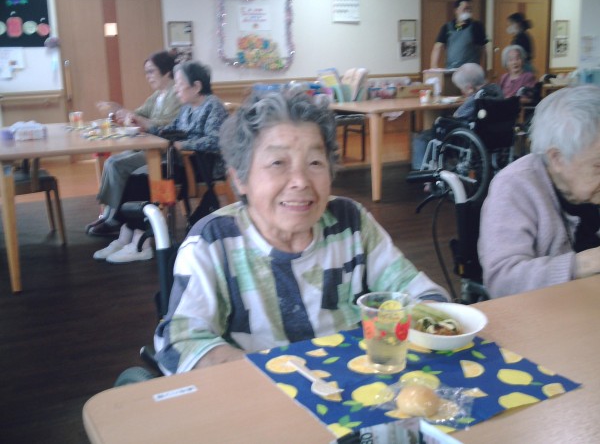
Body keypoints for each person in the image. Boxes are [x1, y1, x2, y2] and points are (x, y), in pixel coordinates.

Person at [153, 91, 450, 374]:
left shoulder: (350, 222)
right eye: (278, 163)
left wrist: (436, 320)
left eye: (315, 163)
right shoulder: (214, 242)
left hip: (360, 384)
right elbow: (181, 343)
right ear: (240, 179)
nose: (300, 181)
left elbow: (420, 293)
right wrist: (277, 374)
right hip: (263, 395)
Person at [93, 60, 229, 263]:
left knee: (144, 181)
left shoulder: (212, 106)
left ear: (197, 86)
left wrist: (183, 145)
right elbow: (170, 130)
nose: (176, 88)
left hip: (201, 167)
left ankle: (142, 244)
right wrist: (147, 128)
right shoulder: (188, 107)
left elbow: (216, 141)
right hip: (180, 163)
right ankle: (125, 237)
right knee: (134, 177)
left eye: (180, 84)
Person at [478, 85, 600, 298]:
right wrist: (582, 264)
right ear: (557, 158)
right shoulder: (514, 187)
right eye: (598, 166)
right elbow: (502, 280)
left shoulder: (587, 186)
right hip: (548, 310)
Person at [87, 50, 182, 236]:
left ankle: (113, 218)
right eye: (146, 72)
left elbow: (168, 124)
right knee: (111, 162)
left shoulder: (175, 94)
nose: (148, 77)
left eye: (151, 71)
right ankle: (108, 214)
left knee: (117, 164)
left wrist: (135, 118)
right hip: (152, 148)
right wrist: (121, 112)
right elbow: (140, 113)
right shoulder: (158, 95)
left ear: (166, 72)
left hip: (166, 153)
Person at [412, 63, 503, 169]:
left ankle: (423, 172)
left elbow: (457, 116)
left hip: (464, 139)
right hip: (493, 137)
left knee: (422, 137)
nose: (461, 91)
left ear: (469, 88)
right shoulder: (495, 91)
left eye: (462, 89)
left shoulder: (476, 99)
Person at [430, 0, 488, 69]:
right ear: (456, 10)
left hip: (470, 71)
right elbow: (437, 47)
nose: (468, 11)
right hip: (451, 69)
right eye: (465, 8)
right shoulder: (447, 27)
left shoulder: (477, 26)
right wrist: (433, 67)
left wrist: (482, 69)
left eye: (470, 9)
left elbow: (483, 49)